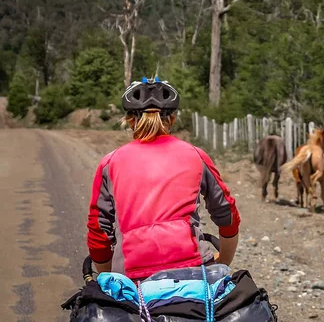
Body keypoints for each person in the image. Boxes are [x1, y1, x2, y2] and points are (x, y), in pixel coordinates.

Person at [86, 77, 240, 280]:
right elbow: (227, 214)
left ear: (130, 121)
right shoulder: (196, 155)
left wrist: (109, 279)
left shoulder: (109, 163)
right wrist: (224, 261)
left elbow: (99, 233)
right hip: (194, 268)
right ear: (173, 120)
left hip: (132, 277)